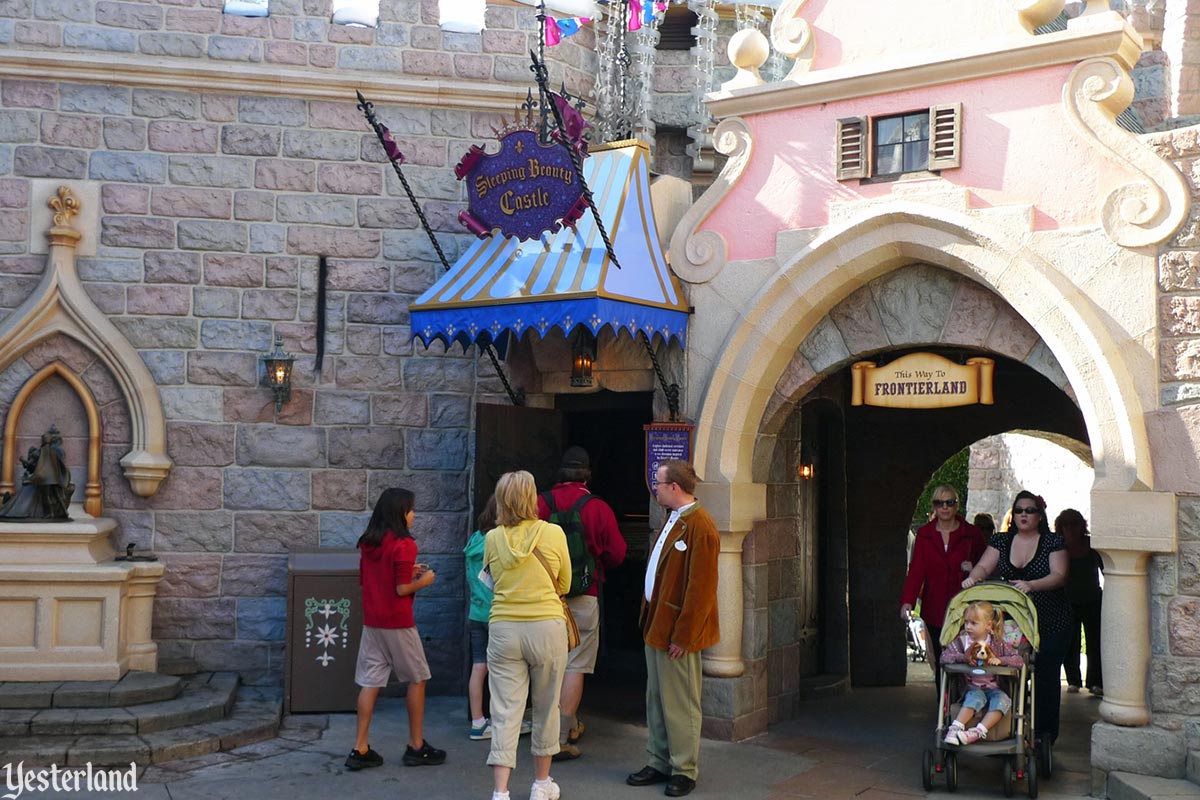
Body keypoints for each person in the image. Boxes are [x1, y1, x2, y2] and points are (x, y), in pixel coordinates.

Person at [626, 459, 720, 799]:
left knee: (680, 703)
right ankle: (659, 760)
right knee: (657, 699)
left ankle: (684, 769)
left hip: (675, 631)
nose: (655, 487)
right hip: (657, 624)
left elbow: (702, 588)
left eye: (659, 482)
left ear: (674, 487)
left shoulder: (701, 525)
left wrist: (684, 635)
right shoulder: (674, 518)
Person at [484, 470, 572, 800]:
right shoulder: (553, 533)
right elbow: (564, 583)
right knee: (547, 706)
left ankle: (500, 792)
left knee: (505, 710)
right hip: (547, 626)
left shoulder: (493, 538)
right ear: (532, 497)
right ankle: (541, 784)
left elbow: (490, 579)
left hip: (504, 627)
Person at [345, 488, 445, 772]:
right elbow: (401, 589)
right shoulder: (404, 544)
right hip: (398, 623)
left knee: (370, 681)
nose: (414, 515)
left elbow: (372, 578)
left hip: (373, 621)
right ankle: (416, 745)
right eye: (411, 510)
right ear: (400, 513)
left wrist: (407, 571)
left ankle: (360, 748)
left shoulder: (369, 542)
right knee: (418, 678)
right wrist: (424, 580)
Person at [537, 446, 627, 760]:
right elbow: (617, 553)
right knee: (575, 664)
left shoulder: (540, 503)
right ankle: (562, 736)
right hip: (584, 595)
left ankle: (547, 730)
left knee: (547, 664)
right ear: (588, 474)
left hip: (545, 597)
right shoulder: (597, 507)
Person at [963, 490, 1070, 747]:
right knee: (1006, 672)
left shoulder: (1053, 542)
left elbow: (1059, 574)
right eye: (1019, 510)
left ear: (1039, 516)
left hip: (1050, 619)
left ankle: (1044, 735)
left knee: (1045, 676)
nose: (1024, 514)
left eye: (1030, 510)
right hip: (1014, 623)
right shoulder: (1001, 541)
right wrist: (974, 577)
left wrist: (1031, 585)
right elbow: (984, 566)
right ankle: (1010, 726)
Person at [900, 485, 987, 689]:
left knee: (966, 656)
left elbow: (987, 564)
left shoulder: (971, 534)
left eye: (950, 502)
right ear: (934, 506)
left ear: (957, 505)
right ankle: (944, 706)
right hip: (935, 606)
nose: (945, 507)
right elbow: (917, 570)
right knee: (941, 658)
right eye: (940, 503)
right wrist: (908, 602)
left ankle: (966, 703)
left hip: (965, 606)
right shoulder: (925, 535)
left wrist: (973, 568)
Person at [940, 600, 1023, 745]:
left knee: (1003, 701)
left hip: (995, 689)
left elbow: (1019, 660)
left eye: (973, 623)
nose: (968, 627)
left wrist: (1000, 660)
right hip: (971, 688)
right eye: (966, 622)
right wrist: (962, 657)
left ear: (988, 625)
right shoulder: (961, 642)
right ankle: (955, 728)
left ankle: (978, 731)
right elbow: (944, 657)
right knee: (975, 697)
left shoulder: (998, 644)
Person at [1056, 508, 1103, 697]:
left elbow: (1106, 568)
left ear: (1082, 524)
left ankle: (1096, 682)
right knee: (1070, 641)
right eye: (1067, 524)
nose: (1071, 528)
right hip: (1067, 600)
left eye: (1074, 523)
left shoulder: (1091, 545)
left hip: (1092, 599)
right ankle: (1073, 680)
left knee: (1095, 642)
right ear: (1060, 526)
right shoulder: (1058, 546)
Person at [465, 495, 497, 740]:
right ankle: (501, 721)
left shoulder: (475, 539)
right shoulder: (496, 542)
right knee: (503, 671)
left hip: (476, 612)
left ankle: (478, 721)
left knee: (479, 667)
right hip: (496, 612)